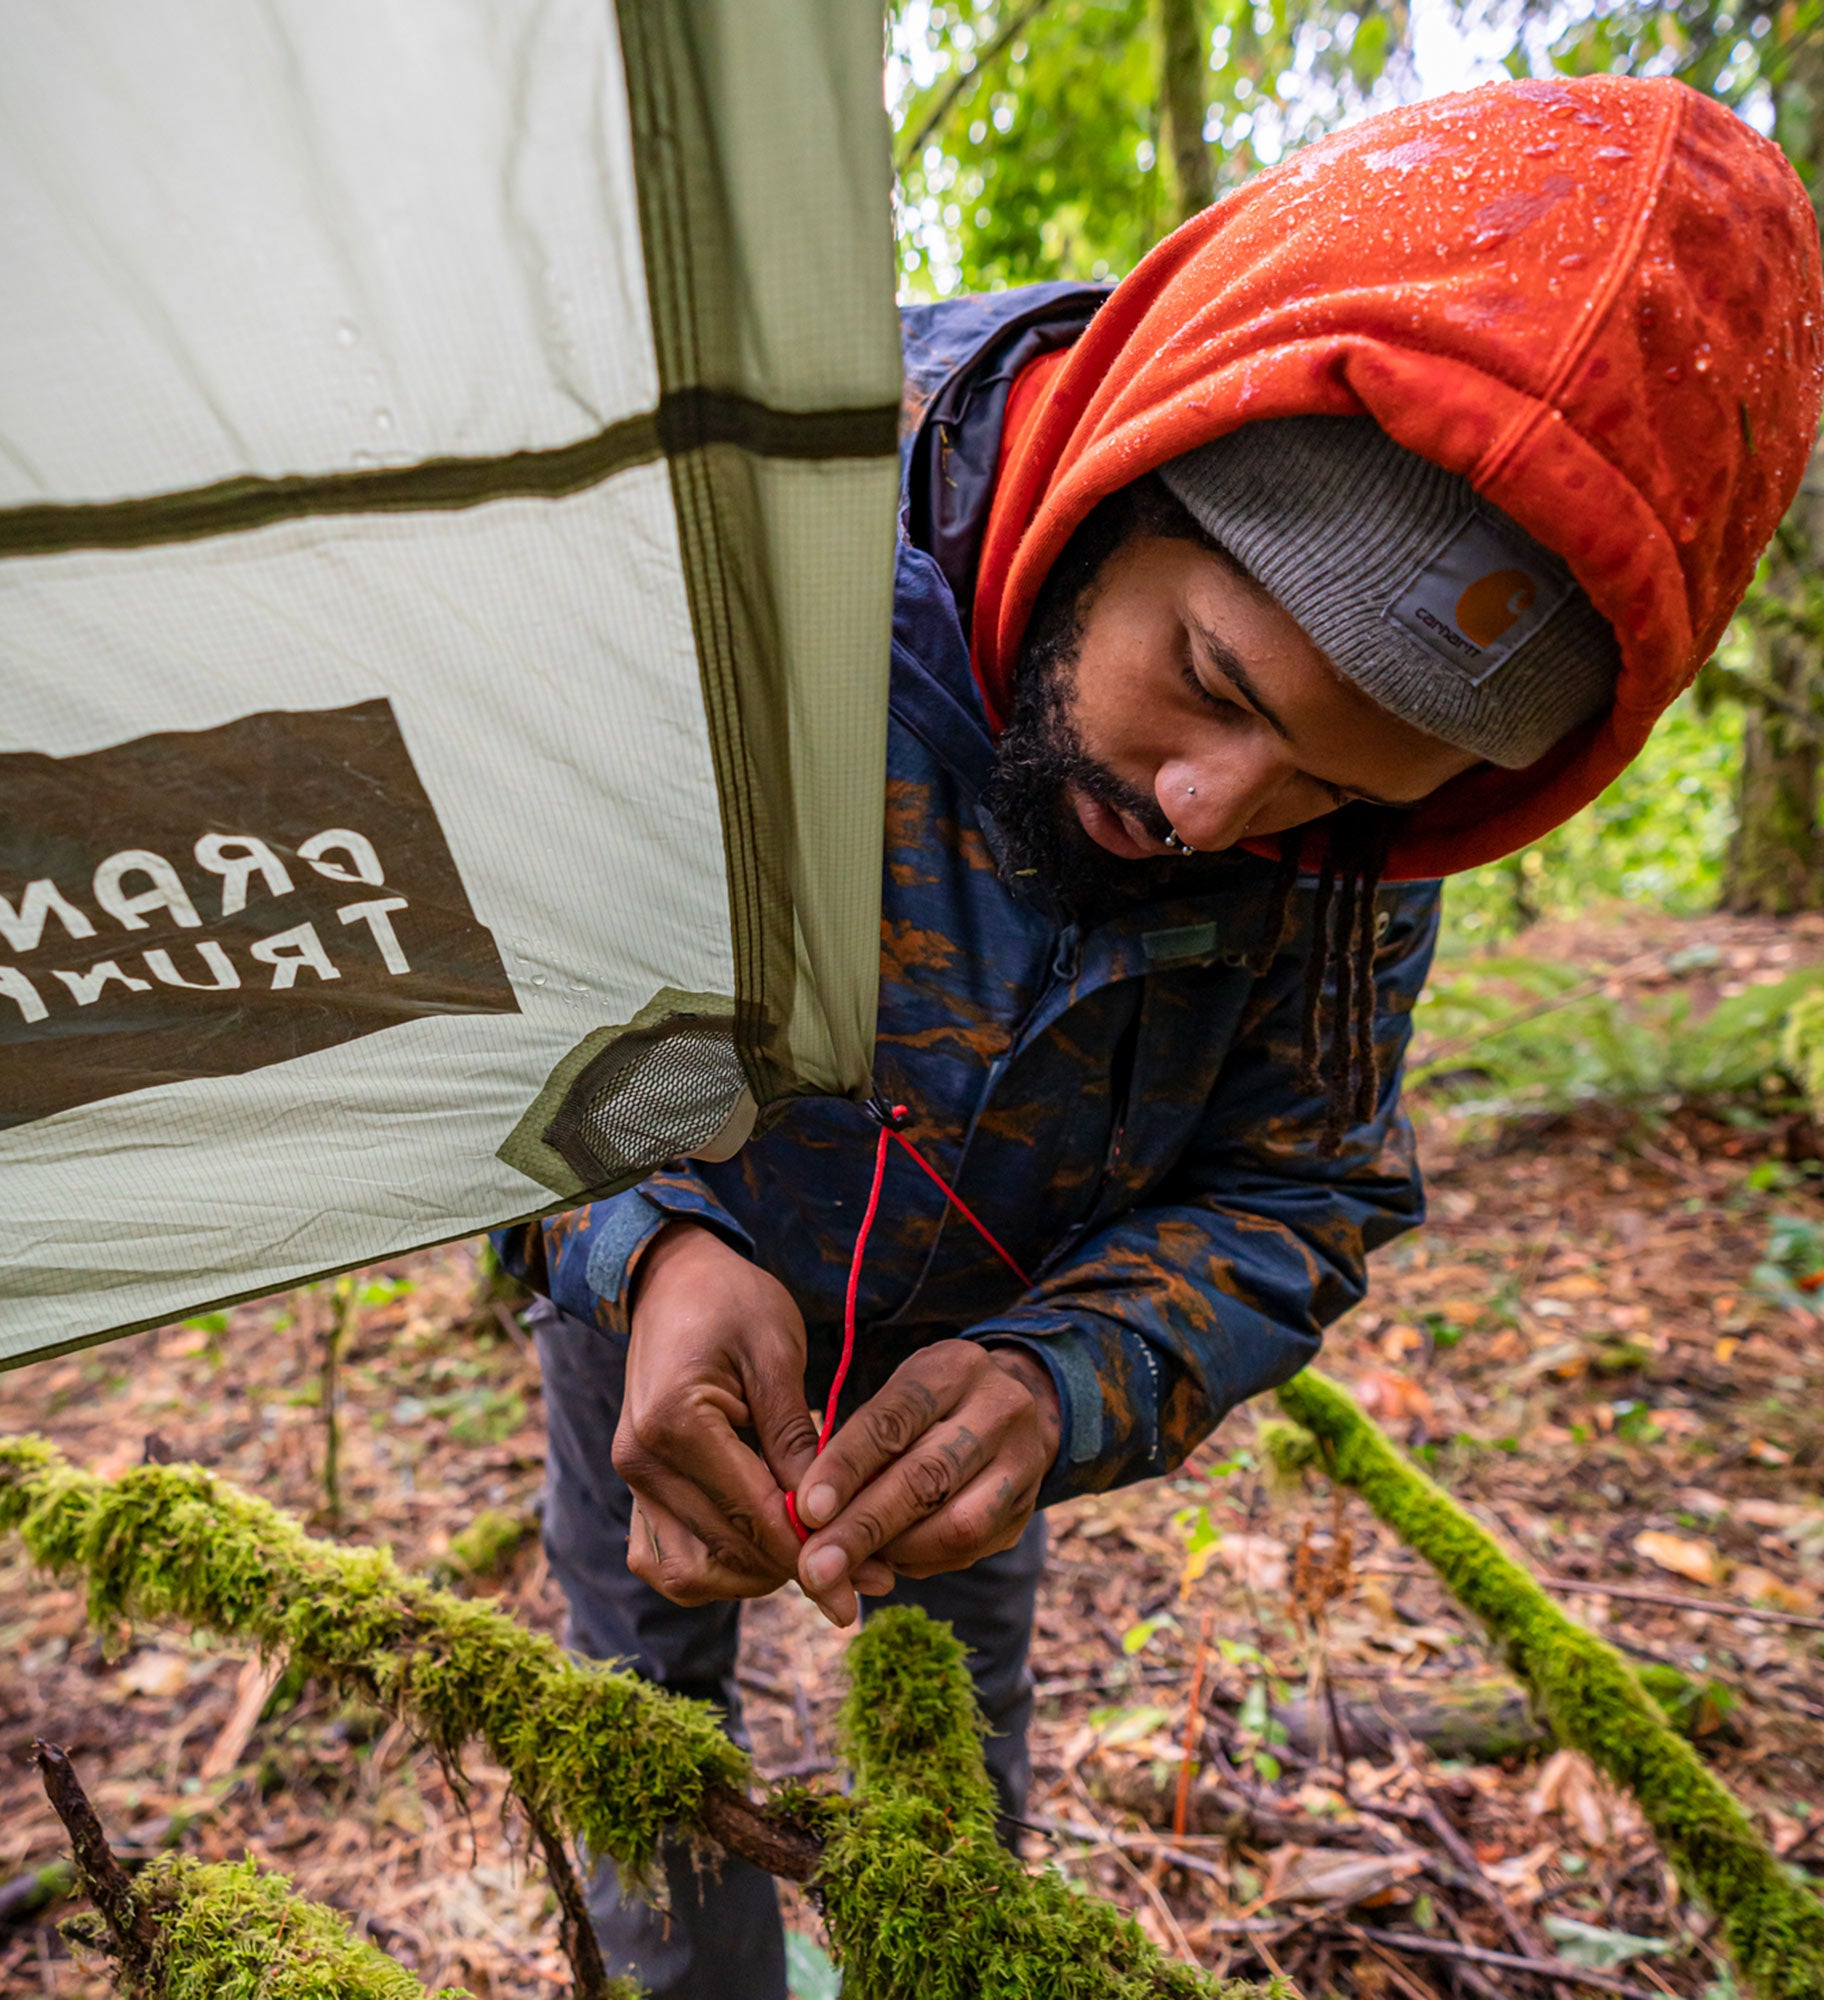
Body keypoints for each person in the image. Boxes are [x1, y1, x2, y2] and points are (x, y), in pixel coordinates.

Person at [491, 71, 1821, 1998]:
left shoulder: (1352, 849)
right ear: (1133, 461)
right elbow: (501, 964)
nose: (1209, 811)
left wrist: (1054, 1388)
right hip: (650, 1325)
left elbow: (1304, 1183)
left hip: (984, 1364)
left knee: (959, 1752)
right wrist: (639, 1240)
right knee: (639, 1703)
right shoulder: (755, 512)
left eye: (1330, 790)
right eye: (1211, 680)